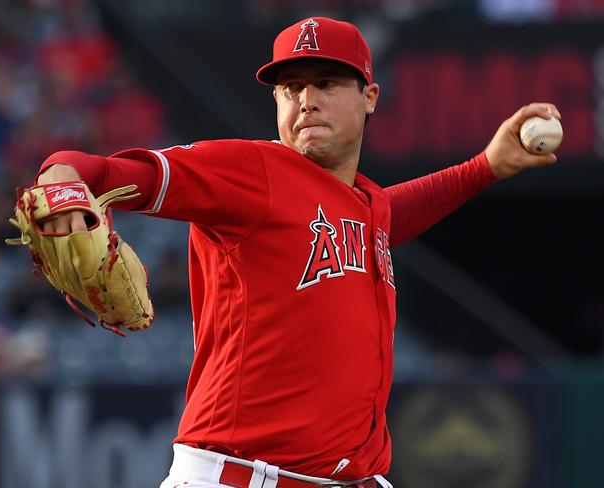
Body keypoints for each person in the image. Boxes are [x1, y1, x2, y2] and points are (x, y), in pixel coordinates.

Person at [33, 16, 560, 488]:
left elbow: (390, 215)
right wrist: (62, 177)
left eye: (326, 83)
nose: (306, 99)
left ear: (370, 96)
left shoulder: (364, 205)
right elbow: (112, 171)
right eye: (291, 88)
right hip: (241, 477)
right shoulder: (251, 173)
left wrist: (486, 166)